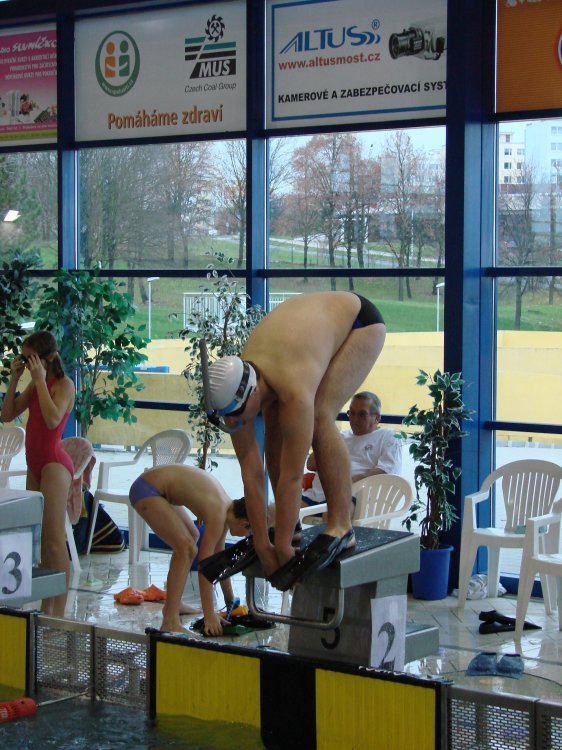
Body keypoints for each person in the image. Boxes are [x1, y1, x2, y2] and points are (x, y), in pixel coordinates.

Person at [202, 291, 386, 591]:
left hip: (359, 323)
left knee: (320, 415)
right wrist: (263, 543)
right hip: (299, 333)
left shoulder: (293, 386)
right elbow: (251, 474)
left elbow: (292, 476)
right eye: (227, 418)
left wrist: (284, 546)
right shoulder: (240, 393)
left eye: (236, 415)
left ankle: (342, 525)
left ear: (253, 393)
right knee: (274, 425)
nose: (233, 423)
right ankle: (289, 524)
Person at [1, 330, 76, 617]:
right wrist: (14, 380)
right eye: (24, 358)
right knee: (41, 539)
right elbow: (7, 415)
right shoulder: (35, 384)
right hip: (34, 463)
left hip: (54, 464)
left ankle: (60, 612)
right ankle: (47, 606)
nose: (27, 364)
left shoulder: (64, 385)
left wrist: (40, 381)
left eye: (31, 359)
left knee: (54, 540)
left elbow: (53, 419)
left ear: (50, 358)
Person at [128, 464, 251, 635]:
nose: (246, 536)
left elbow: (218, 561)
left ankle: (174, 605)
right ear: (244, 523)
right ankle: (169, 621)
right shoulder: (218, 514)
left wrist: (230, 600)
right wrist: (209, 614)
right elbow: (205, 567)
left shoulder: (225, 509)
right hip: (147, 491)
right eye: (249, 532)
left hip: (155, 489)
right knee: (186, 549)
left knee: (192, 537)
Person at [302, 391, 402, 509]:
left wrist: (347, 482)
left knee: (335, 513)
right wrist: (324, 434)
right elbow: (310, 465)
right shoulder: (339, 437)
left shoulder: (388, 436)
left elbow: (386, 470)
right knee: (282, 510)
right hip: (317, 496)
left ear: (377, 418)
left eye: (362, 414)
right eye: (351, 413)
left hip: (354, 497)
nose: (354, 419)